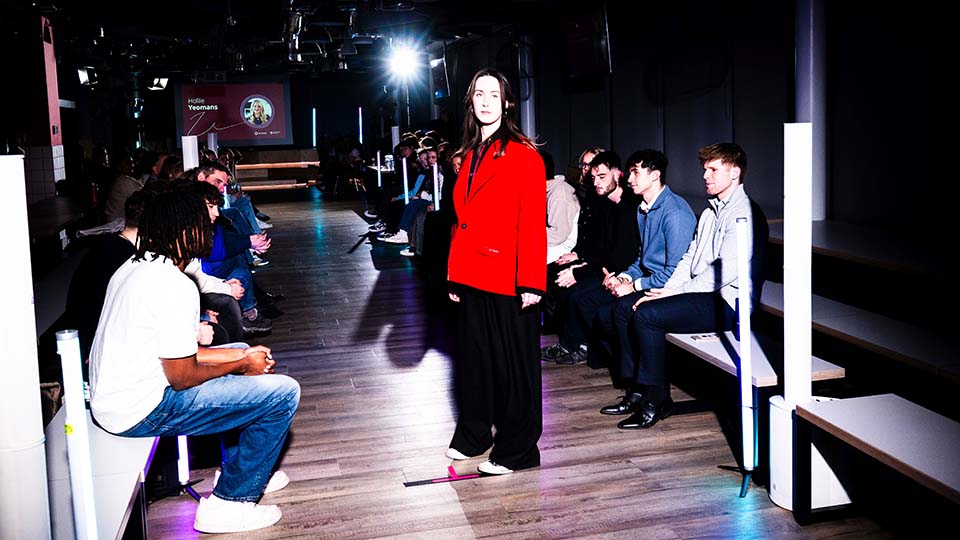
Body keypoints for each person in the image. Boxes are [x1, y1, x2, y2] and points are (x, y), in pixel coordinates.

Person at [88, 190, 299, 533]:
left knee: (242, 351)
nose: (211, 229)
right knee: (282, 394)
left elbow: (176, 354)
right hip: (141, 409)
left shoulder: (137, 266)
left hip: (117, 399)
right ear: (186, 231)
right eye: (205, 224)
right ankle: (230, 504)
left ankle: (241, 468)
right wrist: (243, 365)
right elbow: (183, 376)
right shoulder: (173, 284)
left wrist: (241, 355)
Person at [612, 142, 760, 430]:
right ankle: (639, 391)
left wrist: (676, 291)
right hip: (701, 293)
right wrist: (669, 288)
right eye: (705, 169)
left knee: (647, 314)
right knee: (628, 307)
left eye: (713, 169)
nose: (706, 176)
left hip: (727, 301)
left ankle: (656, 400)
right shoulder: (710, 212)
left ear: (735, 173)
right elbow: (689, 257)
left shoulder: (743, 213)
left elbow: (723, 273)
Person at [446, 68, 546, 475]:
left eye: (494, 94)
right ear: (471, 102)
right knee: (475, 363)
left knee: (512, 369)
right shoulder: (469, 153)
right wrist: (454, 274)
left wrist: (532, 282)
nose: (485, 101)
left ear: (506, 103)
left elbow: (531, 221)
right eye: (478, 94)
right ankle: (474, 436)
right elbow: (459, 219)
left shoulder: (524, 154)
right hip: (472, 274)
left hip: (508, 276)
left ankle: (519, 450)